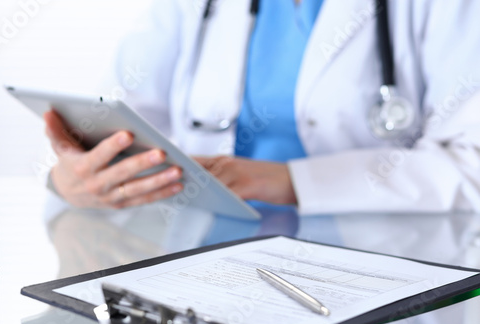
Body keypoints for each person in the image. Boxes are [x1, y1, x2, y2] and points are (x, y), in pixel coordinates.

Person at [44, 0, 480, 215]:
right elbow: (118, 117)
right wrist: (73, 176)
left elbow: (471, 164)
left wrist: (293, 181)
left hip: (384, 259)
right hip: (208, 256)